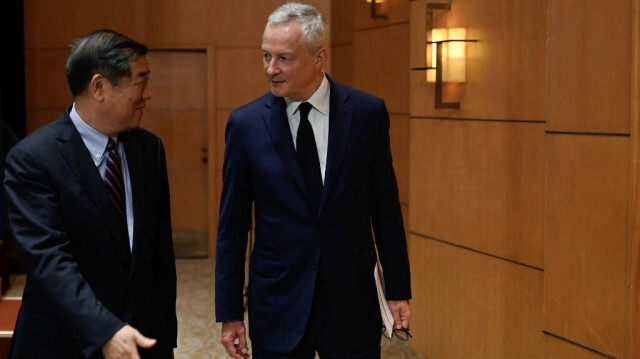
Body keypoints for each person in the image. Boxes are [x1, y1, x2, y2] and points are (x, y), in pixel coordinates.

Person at [215, 2, 411, 358]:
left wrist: (397, 289)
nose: (270, 69)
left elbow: (385, 208)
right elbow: (232, 225)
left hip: (352, 302)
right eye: (265, 56)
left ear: (319, 58)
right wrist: (229, 313)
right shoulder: (245, 125)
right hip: (278, 302)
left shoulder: (367, 114)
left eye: (284, 58)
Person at [3, 29, 177, 359]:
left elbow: (159, 255)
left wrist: (165, 335)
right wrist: (105, 330)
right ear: (99, 87)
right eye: (140, 81)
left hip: (142, 339)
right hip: (64, 342)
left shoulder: (148, 149)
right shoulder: (33, 159)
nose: (149, 93)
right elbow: (49, 260)